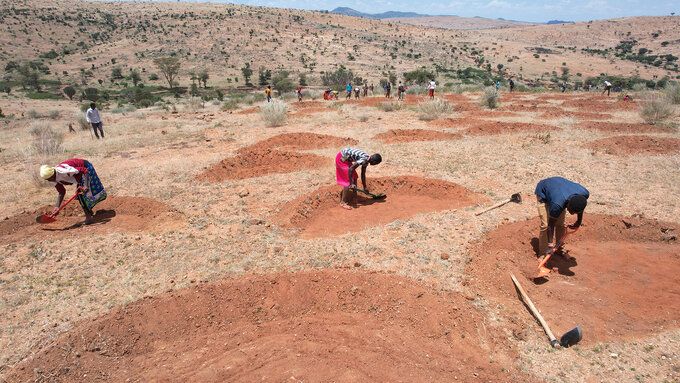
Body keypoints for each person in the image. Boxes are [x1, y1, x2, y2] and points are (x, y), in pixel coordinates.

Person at [535, 177, 589, 259]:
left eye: (574, 212)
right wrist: (550, 245)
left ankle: (559, 248)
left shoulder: (584, 194)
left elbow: (580, 206)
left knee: (560, 224)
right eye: (571, 211)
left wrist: (579, 220)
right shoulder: (558, 204)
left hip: (559, 190)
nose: (572, 213)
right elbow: (551, 224)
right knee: (545, 225)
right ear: (567, 204)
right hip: (544, 193)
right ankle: (543, 253)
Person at [40, 158, 107, 224]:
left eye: (49, 179)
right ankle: (89, 212)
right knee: (80, 194)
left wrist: (85, 185)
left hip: (86, 168)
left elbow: (84, 170)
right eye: (47, 179)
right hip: (80, 175)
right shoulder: (52, 179)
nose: (48, 181)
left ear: (52, 175)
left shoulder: (63, 171)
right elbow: (61, 192)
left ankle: (89, 217)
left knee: (80, 195)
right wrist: (57, 206)